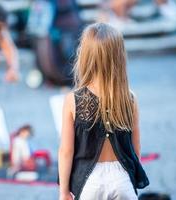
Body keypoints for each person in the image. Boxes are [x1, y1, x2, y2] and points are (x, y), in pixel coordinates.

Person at [58, 23, 149, 200]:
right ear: (119, 56)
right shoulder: (130, 98)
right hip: (122, 178)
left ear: (84, 56)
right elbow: (135, 146)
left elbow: (66, 151)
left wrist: (63, 191)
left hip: (89, 180)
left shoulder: (73, 100)